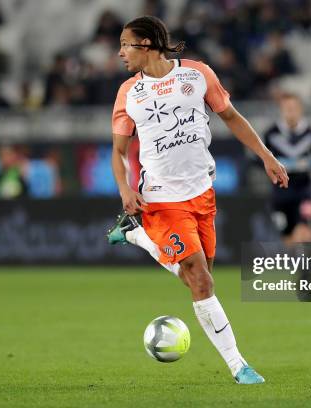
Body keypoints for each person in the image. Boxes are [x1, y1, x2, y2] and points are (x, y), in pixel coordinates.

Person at [106, 16, 288, 384]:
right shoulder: (129, 93)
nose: (121, 52)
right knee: (200, 281)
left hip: (202, 194)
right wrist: (126, 189)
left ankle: (137, 236)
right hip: (160, 197)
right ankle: (240, 366)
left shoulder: (197, 75)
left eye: (127, 44)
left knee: (197, 279)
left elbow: (232, 118)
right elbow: (119, 151)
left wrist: (266, 155)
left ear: (147, 45)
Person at [263, 92, 311, 245]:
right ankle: (297, 265)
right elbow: (260, 157)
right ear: (281, 110)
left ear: (300, 110)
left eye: (294, 108)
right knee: (287, 235)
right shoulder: (271, 134)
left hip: (304, 188)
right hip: (281, 190)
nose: (291, 111)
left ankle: (308, 267)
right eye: (287, 108)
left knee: (305, 228)